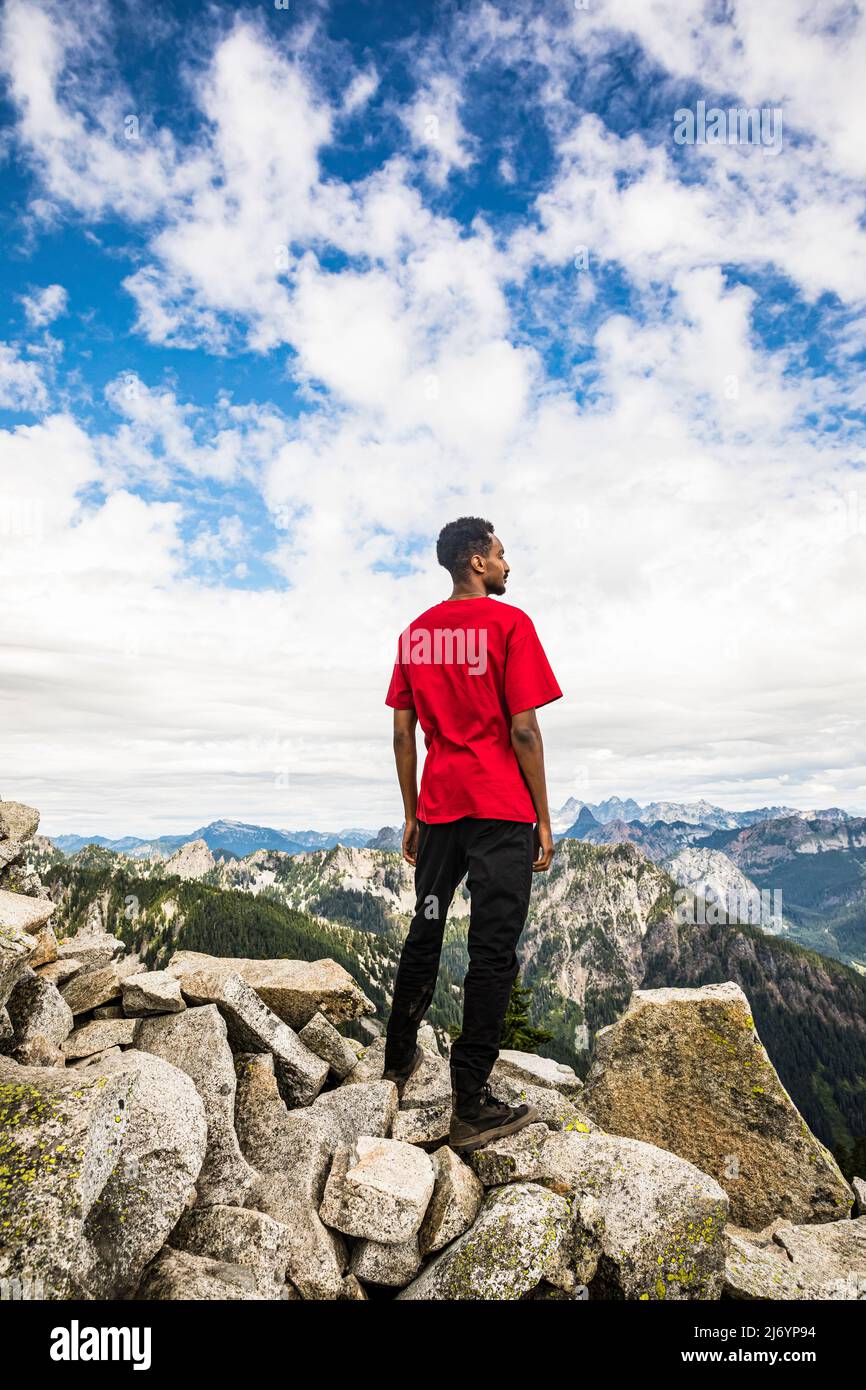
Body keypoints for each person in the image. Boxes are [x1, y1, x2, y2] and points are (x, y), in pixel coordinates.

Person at [382, 516, 563, 1151]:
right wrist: (542, 816)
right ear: (479, 562)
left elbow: (403, 736)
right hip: (500, 813)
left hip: (439, 812)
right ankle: (470, 1102)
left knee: (425, 929)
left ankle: (396, 1062)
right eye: (503, 553)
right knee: (492, 952)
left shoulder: (416, 636)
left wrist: (411, 812)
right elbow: (524, 730)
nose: (509, 563)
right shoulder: (511, 626)